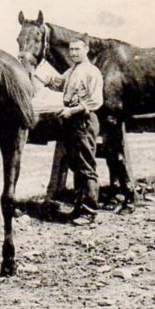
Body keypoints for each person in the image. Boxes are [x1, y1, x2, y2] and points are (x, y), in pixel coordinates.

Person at [38, 36, 104, 225]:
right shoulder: (73, 70)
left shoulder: (92, 72)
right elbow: (59, 84)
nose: (73, 53)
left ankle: (90, 212)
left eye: (77, 49)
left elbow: (95, 101)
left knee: (86, 167)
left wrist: (72, 110)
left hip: (83, 120)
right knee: (76, 165)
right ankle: (79, 207)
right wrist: (38, 74)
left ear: (86, 50)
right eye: (71, 50)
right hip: (71, 120)